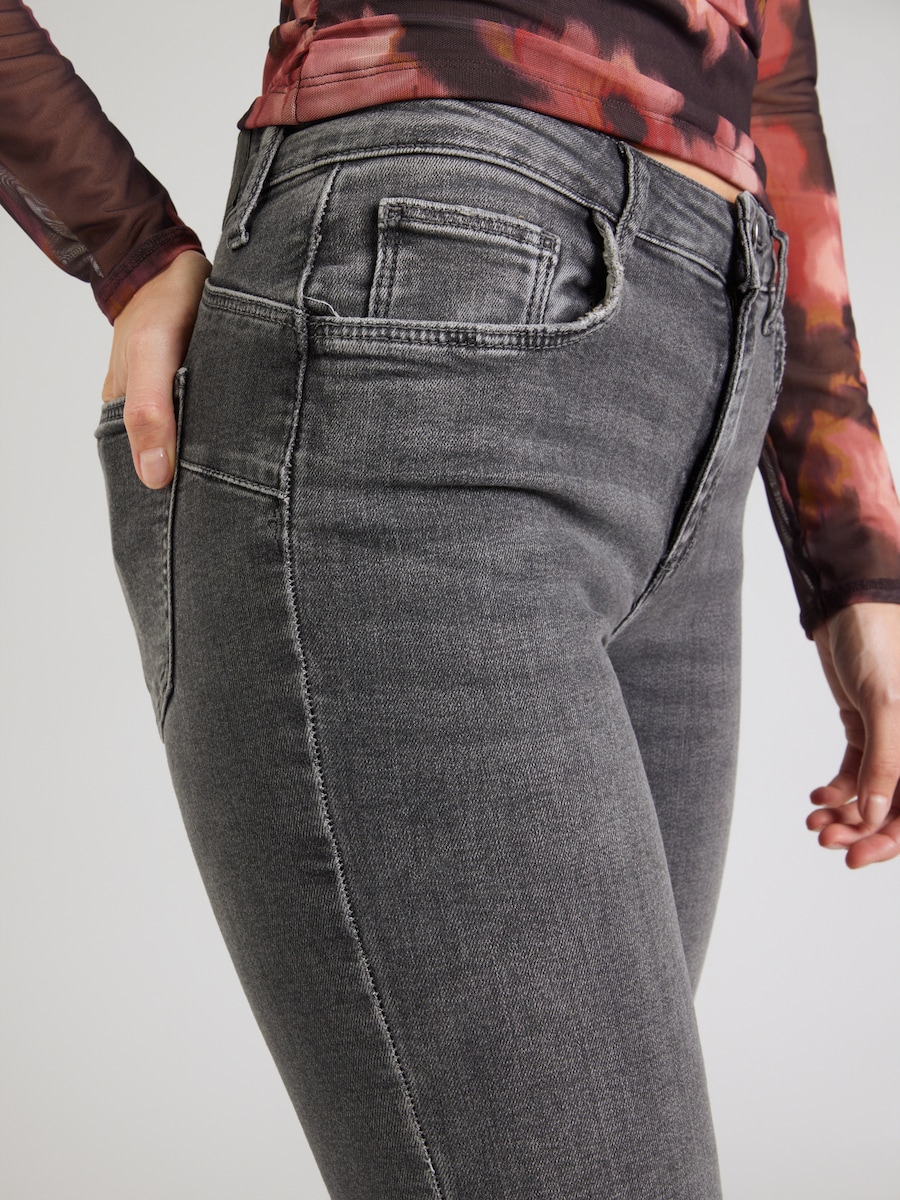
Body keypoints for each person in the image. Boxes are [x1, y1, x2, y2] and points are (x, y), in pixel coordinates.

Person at [3, 2, 899, 1197]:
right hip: (435, 306)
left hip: (712, 365)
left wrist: (855, 555)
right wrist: (126, 243)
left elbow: (772, 77)